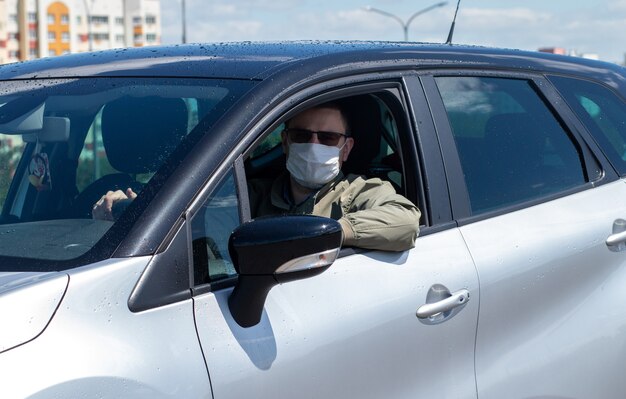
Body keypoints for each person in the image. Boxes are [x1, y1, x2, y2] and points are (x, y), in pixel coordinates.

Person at [92, 102, 421, 251]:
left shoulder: (362, 192)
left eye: (328, 138)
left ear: (346, 148)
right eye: (303, 136)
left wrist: (333, 231)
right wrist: (133, 209)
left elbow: (405, 222)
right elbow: (195, 220)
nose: (314, 145)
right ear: (286, 142)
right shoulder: (251, 194)